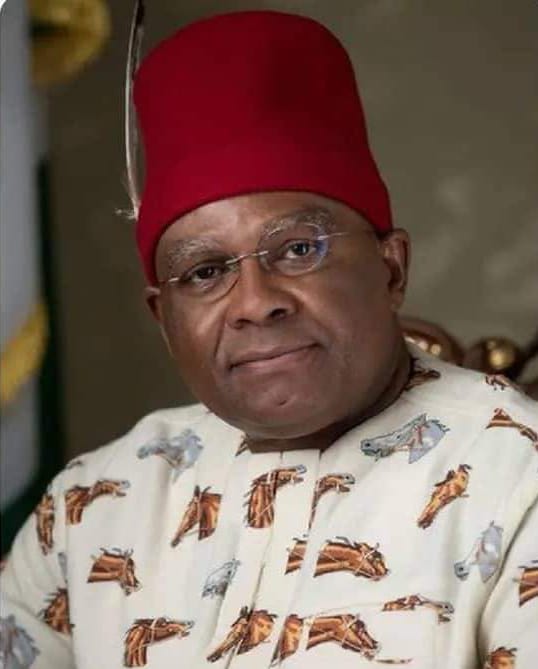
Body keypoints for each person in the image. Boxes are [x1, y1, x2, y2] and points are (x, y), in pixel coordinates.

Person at [1, 8, 536, 669]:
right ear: (164, 318)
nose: (256, 303)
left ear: (391, 269)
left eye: (299, 249)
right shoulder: (93, 502)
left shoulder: (519, 478)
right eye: (205, 272)